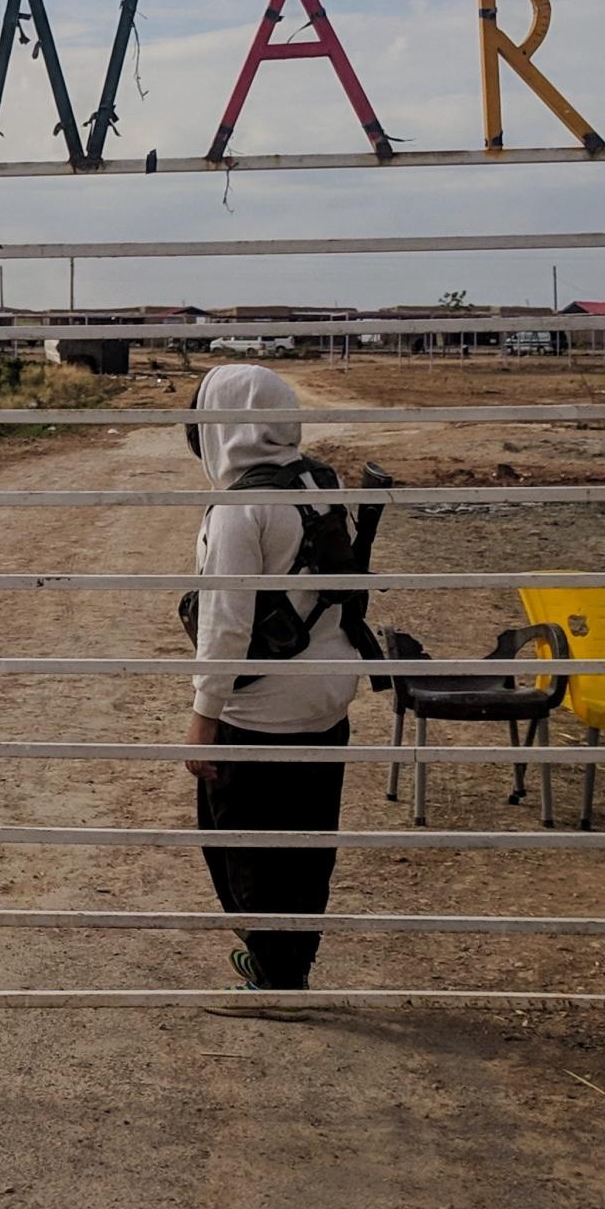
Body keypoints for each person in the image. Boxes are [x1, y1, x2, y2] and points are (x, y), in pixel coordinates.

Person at [182, 363, 363, 991]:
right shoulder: (322, 483)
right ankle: (293, 964)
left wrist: (203, 717)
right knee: (308, 842)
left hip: (258, 708)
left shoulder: (240, 509)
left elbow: (226, 623)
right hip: (327, 698)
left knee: (239, 844)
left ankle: (272, 973)